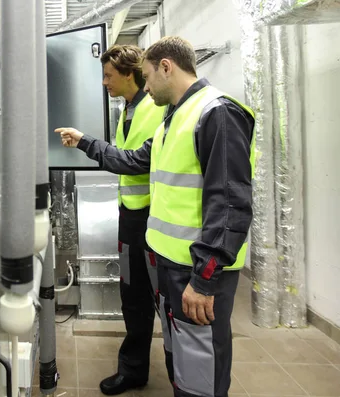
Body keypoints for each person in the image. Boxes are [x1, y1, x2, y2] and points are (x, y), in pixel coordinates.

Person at [56, 36, 255, 397]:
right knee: (183, 358)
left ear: (167, 67)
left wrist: (205, 278)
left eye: (147, 76)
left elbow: (230, 204)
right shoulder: (172, 120)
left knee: (200, 365)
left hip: (196, 269)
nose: (145, 86)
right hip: (168, 259)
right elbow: (132, 162)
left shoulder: (218, 113)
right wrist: (85, 142)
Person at [56, 44, 166, 395]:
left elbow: (134, 160)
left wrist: (88, 143)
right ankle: (133, 369)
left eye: (109, 75)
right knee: (132, 295)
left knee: (164, 300)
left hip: (155, 219)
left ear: (131, 73)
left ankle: (186, 375)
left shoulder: (155, 108)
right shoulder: (128, 109)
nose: (104, 82)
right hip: (131, 219)